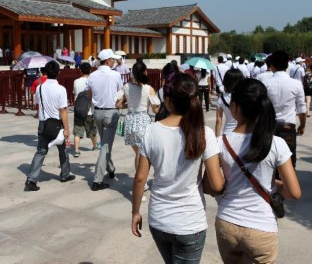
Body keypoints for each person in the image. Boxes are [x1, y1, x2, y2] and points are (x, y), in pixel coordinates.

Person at [131, 73, 225, 263]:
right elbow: (216, 184)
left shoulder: (151, 130)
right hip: (189, 222)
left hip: (159, 219)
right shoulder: (204, 133)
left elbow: (140, 178)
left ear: (168, 101)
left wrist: (135, 212)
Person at [214, 79, 302, 263]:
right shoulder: (277, 144)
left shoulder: (220, 143)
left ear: (235, 108)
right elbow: (294, 192)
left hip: (227, 224)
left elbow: (212, 187)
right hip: (261, 228)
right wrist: (274, 185)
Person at [25, 61, 75, 191]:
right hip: (57, 123)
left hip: (43, 123)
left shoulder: (39, 88)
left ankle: (32, 179)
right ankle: (65, 174)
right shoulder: (61, 89)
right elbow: (63, 110)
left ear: (45, 72)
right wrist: (67, 128)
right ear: (58, 72)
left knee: (41, 151)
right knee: (63, 150)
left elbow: (37, 103)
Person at [116, 61, 160, 192]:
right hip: (143, 120)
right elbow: (156, 110)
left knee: (138, 153)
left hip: (130, 120)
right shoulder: (149, 89)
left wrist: (127, 106)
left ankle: (141, 179)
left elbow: (118, 104)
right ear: (145, 72)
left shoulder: (126, 87)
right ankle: (141, 181)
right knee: (142, 154)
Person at [262, 50, 306, 170]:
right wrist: (302, 125)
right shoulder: (296, 84)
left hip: (269, 127)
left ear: (271, 65)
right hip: (288, 126)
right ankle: (287, 186)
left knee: (269, 162)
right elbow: (302, 108)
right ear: (287, 65)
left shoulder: (265, 84)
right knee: (288, 162)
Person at [87, 49, 123, 191]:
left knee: (105, 144)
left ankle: (110, 168)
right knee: (106, 146)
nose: (113, 61)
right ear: (107, 61)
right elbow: (120, 94)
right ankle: (97, 180)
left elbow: (89, 94)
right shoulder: (115, 75)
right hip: (111, 112)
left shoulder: (92, 75)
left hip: (97, 112)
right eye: (112, 59)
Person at [73, 63, 98, 157]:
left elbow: (74, 93)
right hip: (89, 110)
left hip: (78, 110)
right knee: (92, 130)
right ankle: (95, 146)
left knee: (77, 131)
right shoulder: (92, 82)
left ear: (80, 70)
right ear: (90, 71)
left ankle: (76, 150)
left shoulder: (76, 81)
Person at [215, 69, 245, 137]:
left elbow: (218, 120)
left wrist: (217, 137)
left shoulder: (221, 99)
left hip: (227, 133)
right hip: (244, 133)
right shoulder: (245, 96)